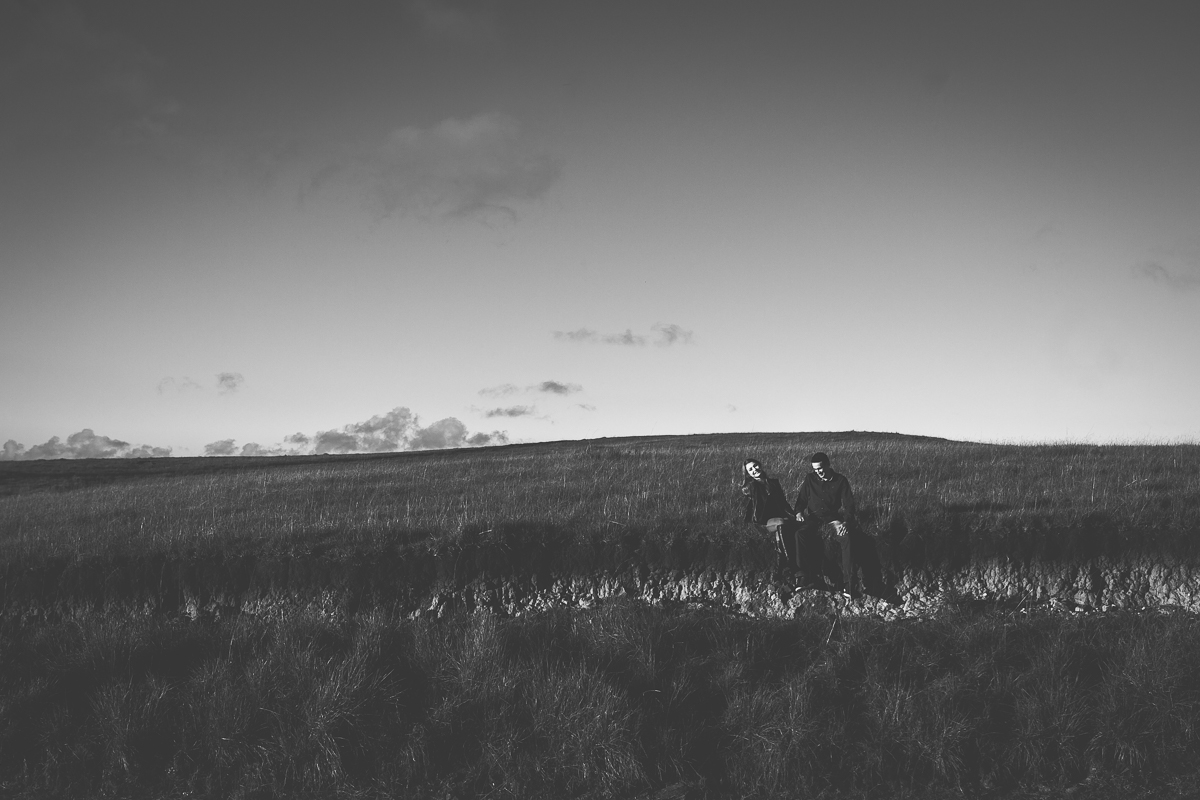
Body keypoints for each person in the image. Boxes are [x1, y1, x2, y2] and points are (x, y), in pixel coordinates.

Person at [793, 451, 895, 602]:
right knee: (799, 535)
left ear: (828, 465)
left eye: (820, 468)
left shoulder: (840, 480)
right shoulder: (810, 479)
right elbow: (801, 500)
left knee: (846, 538)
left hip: (832, 519)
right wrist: (799, 512)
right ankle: (803, 577)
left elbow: (849, 506)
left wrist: (846, 522)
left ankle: (849, 584)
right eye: (815, 469)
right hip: (813, 519)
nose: (818, 472)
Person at [740, 458, 826, 590]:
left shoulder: (773, 483)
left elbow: (783, 503)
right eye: (750, 470)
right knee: (782, 523)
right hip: (763, 521)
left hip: (779, 517)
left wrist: (794, 515)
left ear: (760, 465)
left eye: (755, 466)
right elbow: (750, 509)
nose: (754, 470)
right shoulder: (750, 487)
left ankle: (789, 570)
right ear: (748, 474)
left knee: (788, 526)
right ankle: (794, 569)